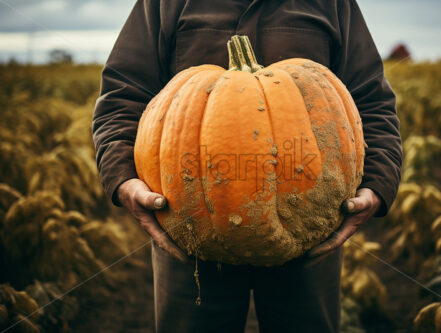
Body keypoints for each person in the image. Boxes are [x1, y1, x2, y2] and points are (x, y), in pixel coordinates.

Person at [92, 0, 402, 332]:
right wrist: (123, 179)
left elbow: (371, 101)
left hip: (309, 230)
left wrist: (377, 185)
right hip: (191, 231)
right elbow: (122, 95)